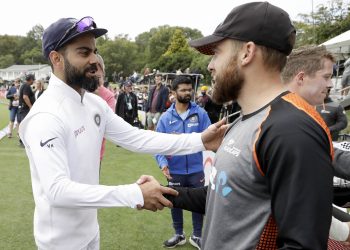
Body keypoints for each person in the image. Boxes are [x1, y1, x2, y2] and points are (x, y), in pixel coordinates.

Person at [18, 16, 227, 250]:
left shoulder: (93, 104)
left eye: (94, 52)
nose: (95, 60)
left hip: (90, 232)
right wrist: (134, 194)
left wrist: (200, 140)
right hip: (58, 243)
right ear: (56, 58)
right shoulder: (45, 116)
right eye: (84, 53)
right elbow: (57, 191)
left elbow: (137, 138)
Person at [165, 2, 334, 249]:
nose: (211, 65)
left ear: (247, 52)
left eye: (217, 53)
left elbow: (303, 244)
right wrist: (167, 194)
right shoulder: (244, 120)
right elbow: (225, 195)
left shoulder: (292, 130)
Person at [155, 75, 211, 249]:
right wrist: (163, 163)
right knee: (174, 202)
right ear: (173, 93)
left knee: (197, 202)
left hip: (196, 170)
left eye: (189, 90)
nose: (188, 93)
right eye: (183, 90)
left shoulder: (200, 113)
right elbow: (157, 146)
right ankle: (178, 234)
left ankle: (197, 235)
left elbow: (210, 138)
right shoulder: (165, 118)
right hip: (175, 170)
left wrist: (186, 138)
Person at [94, 54, 116, 163]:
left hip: (97, 153)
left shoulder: (108, 96)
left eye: (98, 76)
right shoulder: (78, 91)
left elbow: (107, 124)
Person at [18, 73, 35, 147]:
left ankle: (22, 141)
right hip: (25, 109)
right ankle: (23, 142)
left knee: (24, 125)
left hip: (23, 108)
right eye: (33, 79)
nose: (33, 80)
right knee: (25, 125)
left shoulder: (24, 85)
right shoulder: (27, 86)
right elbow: (25, 97)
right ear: (30, 79)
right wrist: (30, 106)